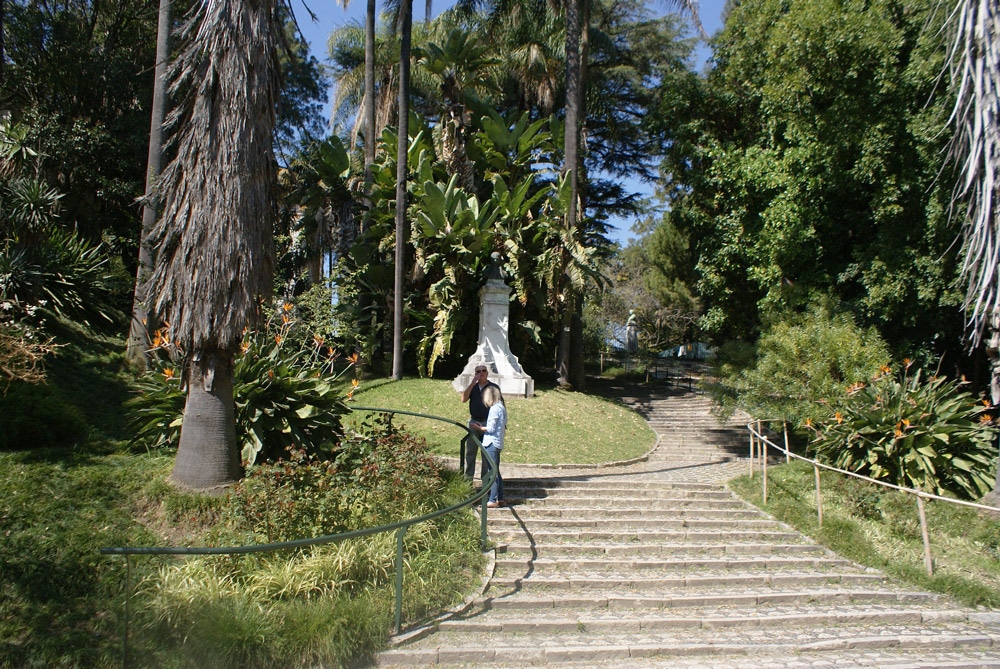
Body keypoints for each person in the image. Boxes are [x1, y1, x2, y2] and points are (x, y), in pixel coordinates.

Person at [461, 364, 500, 480]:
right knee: (470, 452)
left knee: (486, 455)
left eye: (483, 371)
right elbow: (463, 399)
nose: (481, 373)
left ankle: (485, 482)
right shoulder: (473, 387)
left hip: (488, 424)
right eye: (478, 371)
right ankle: (468, 480)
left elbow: (499, 406)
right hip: (474, 422)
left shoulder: (493, 387)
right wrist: (473, 383)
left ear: (487, 373)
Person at [470, 385, 506, 508]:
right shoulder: (502, 407)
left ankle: (493, 499)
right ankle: (500, 498)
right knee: (496, 471)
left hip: (491, 442)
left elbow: (490, 428)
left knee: (492, 471)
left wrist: (478, 428)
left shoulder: (494, 409)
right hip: (498, 442)